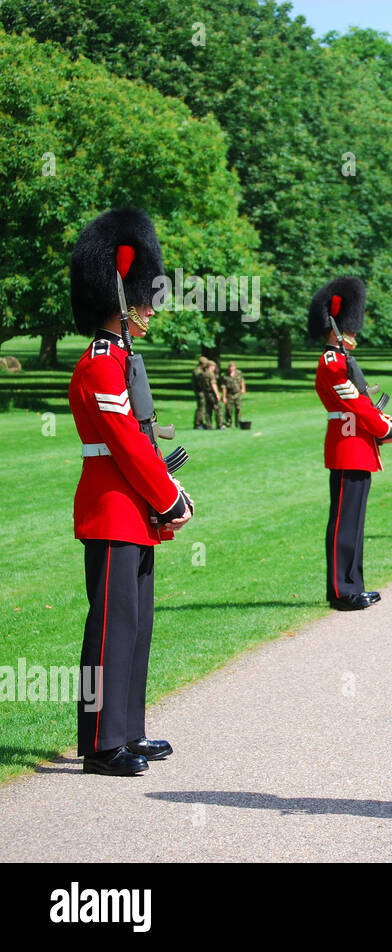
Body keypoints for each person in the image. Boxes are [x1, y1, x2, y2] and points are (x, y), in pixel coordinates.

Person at [68, 208, 194, 775]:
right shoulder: (100, 364)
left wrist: (163, 494)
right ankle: (99, 741)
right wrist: (168, 498)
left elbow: (141, 445)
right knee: (110, 627)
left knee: (136, 625)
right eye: (142, 298)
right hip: (113, 509)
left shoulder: (122, 360)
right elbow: (124, 446)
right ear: (120, 300)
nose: (150, 309)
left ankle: (129, 729)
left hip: (134, 510)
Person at [310, 276, 392, 611]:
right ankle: (341, 590)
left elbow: (362, 402)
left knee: (354, 521)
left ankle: (354, 584)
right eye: (349, 327)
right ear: (335, 327)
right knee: (343, 522)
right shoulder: (331, 362)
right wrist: (384, 428)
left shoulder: (342, 360)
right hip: (347, 445)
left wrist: (383, 425)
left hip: (357, 446)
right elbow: (354, 405)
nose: (354, 332)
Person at [221, 360, 245, 429]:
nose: (231, 368)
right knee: (228, 409)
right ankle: (228, 423)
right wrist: (224, 397)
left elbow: (242, 381)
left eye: (232, 367)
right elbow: (224, 387)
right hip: (229, 394)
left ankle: (238, 423)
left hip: (237, 393)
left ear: (235, 367)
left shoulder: (239, 373)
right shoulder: (225, 375)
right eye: (230, 367)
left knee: (238, 408)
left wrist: (243, 388)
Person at [192, 356, 212, 429]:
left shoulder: (200, 370)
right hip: (200, 391)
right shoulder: (197, 371)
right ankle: (198, 423)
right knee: (201, 407)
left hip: (201, 391)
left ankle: (200, 422)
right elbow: (199, 382)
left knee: (202, 407)